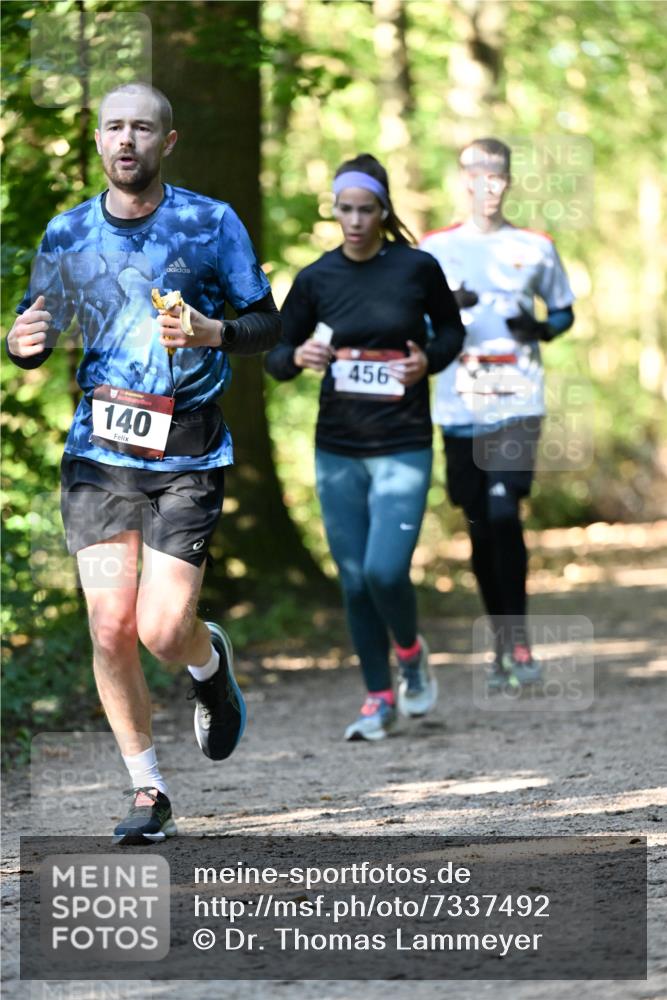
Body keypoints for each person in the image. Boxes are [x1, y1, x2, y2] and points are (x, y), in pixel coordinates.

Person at [6, 83, 281, 843]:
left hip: (187, 450)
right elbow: (37, 329)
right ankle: (147, 791)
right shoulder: (66, 233)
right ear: (98, 140)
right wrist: (18, 347)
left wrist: (212, 331)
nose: (127, 141)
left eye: (143, 129)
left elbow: (268, 322)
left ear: (168, 141)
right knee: (108, 628)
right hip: (99, 457)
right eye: (115, 128)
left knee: (162, 631)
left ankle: (207, 663)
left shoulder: (209, 221)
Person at [265, 154, 464, 740]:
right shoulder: (316, 279)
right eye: (344, 208)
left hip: (403, 443)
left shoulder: (416, 268)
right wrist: (297, 357)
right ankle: (378, 697)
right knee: (352, 580)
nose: (354, 220)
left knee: (384, 571)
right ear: (335, 209)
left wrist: (428, 359)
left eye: (365, 209)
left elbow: (451, 330)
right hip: (338, 449)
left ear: (383, 211)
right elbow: (276, 354)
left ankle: (409, 650)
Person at [420, 137, 575, 689]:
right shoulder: (434, 249)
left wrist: (540, 330)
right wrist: (445, 311)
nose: (486, 185)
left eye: (497, 175)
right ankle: (501, 643)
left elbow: (563, 312)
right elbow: (411, 320)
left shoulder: (535, 246)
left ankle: (520, 642)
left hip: (517, 402)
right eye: (475, 174)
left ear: (508, 181)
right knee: (480, 524)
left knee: (505, 511)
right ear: (462, 181)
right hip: (459, 405)